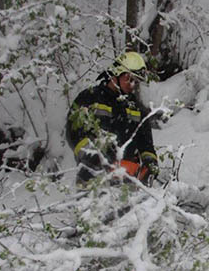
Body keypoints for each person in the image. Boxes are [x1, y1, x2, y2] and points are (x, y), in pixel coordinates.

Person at [66, 52, 157, 187]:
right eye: (128, 78)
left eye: (135, 81)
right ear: (116, 74)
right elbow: (73, 131)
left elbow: (146, 144)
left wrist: (151, 164)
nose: (132, 85)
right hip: (93, 179)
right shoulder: (90, 98)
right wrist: (92, 156)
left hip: (127, 182)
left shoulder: (136, 109)